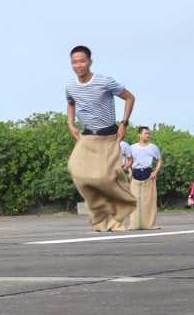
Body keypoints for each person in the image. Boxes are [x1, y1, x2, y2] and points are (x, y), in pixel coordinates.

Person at [64, 46, 140, 231]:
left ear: (90, 62)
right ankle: (98, 208)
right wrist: (71, 124)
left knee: (103, 178)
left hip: (108, 136)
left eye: (82, 61)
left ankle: (126, 203)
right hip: (87, 136)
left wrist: (124, 123)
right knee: (75, 169)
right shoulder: (71, 87)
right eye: (74, 62)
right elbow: (71, 103)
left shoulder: (105, 82)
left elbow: (129, 97)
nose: (78, 65)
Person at [121, 127, 163, 231]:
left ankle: (149, 223)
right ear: (139, 135)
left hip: (148, 173)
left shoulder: (153, 147)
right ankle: (135, 224)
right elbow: (128, 160)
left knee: (149, 199)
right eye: (145, 133)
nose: (147, 135)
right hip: (136, 173)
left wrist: (155, 172)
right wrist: (130, 172)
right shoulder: (132, 147)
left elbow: (159, 160)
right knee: (135, 199)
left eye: (148, 134)